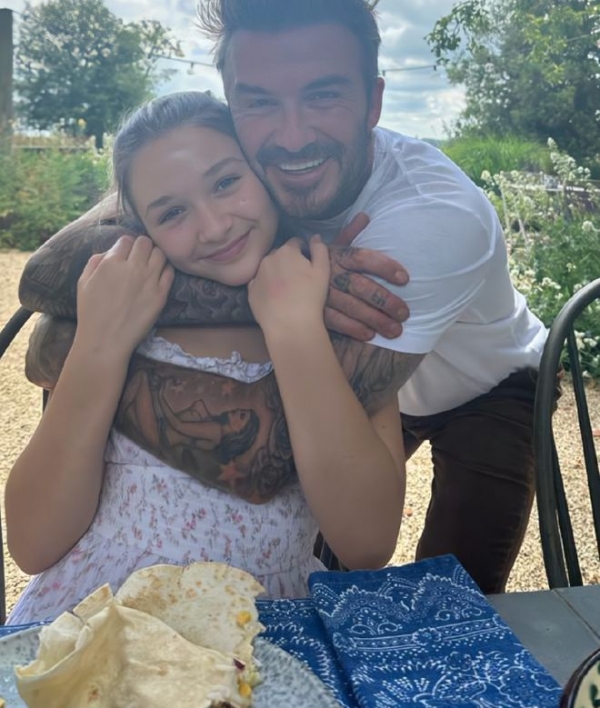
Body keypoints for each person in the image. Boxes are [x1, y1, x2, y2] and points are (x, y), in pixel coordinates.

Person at [18, 0, 557, 595]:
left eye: (323, 95)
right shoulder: (244, 170)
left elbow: (265, 466)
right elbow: (44, 270)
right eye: (260, 102)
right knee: (338, 571)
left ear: (373, 102)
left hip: (485, 385)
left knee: (455, 595)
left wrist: (83, 350)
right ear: (234, 109)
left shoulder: (433, 218)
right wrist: (96, 338)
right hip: (331, 366)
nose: (292, 136)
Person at [5, 91, 406, 624]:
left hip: (264, 630)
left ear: (265, 172)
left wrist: (296, 333)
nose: (214, 227)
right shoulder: (118, 317)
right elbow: (33, 543)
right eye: (172, 212)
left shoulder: (341, 320)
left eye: (226, 182)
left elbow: (367, 543)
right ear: (142, 229)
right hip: (101, 620)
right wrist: (100, 343)